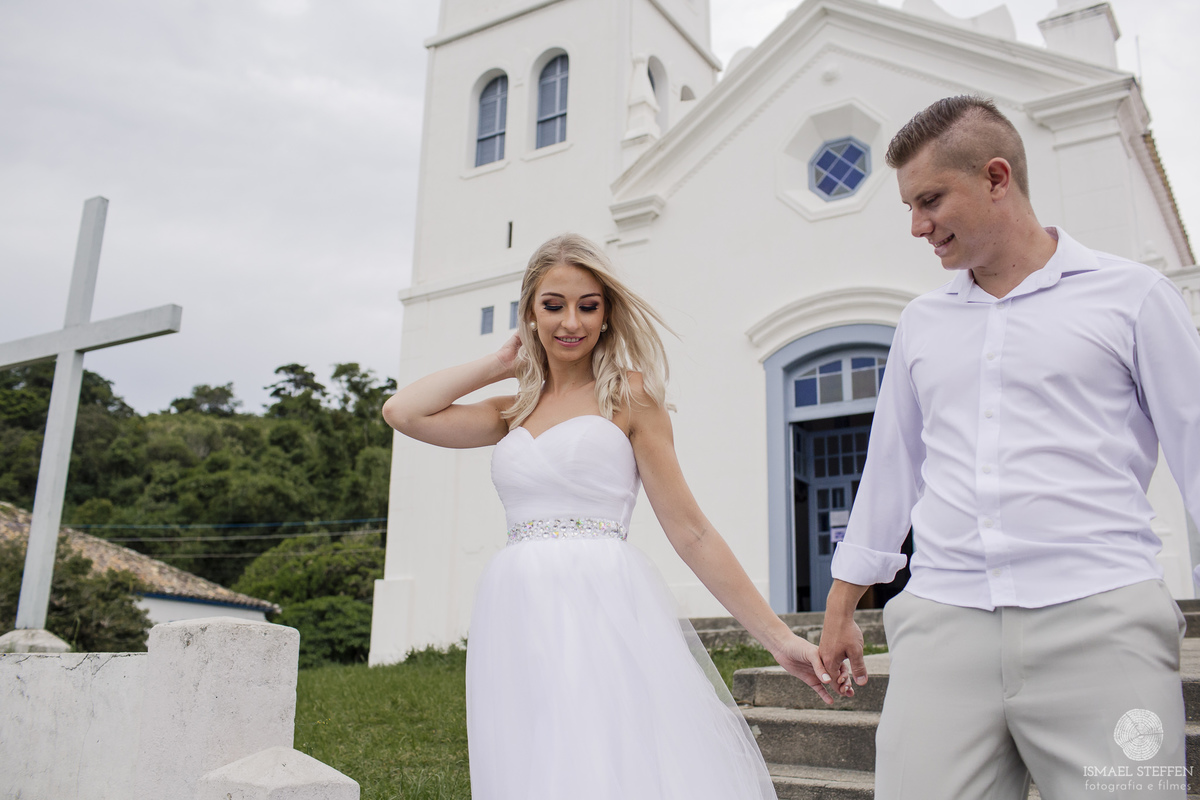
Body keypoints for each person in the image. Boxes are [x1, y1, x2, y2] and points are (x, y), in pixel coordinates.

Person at [816, 94, 1200, 799]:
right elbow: (892, 466)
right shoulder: (922, 324)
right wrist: (843, 602)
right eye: (908, 207)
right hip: (942, 623)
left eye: (930, 200)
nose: (917, 227)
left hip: (1101, 618)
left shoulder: (1135, 298)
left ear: (997, 178)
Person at [384, 233, 844, 799]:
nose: (570, 321)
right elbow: (402, 411)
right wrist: (500, 362)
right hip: (515, 609)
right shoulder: (511, 410)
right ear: (529, 311)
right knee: (533, 760)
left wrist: (778, 639)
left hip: (601, 599)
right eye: (552, 305)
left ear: (607, 314)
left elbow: (691, 531)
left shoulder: (630, 397)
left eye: (588, 305)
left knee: (601, 758)